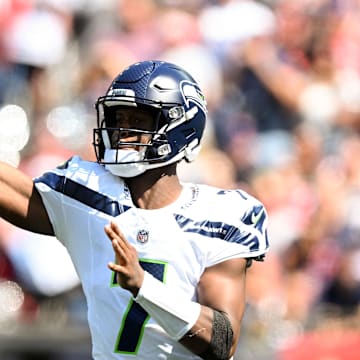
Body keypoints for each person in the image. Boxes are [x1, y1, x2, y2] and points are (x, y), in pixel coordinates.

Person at [0, 60, 269, 359]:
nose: (121, 131)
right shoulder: (87, 192)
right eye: (118, 118)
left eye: (138, 120)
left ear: (181, 127)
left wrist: (143, 286)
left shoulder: (221, 215)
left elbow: (222, 341)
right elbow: (11, 189)